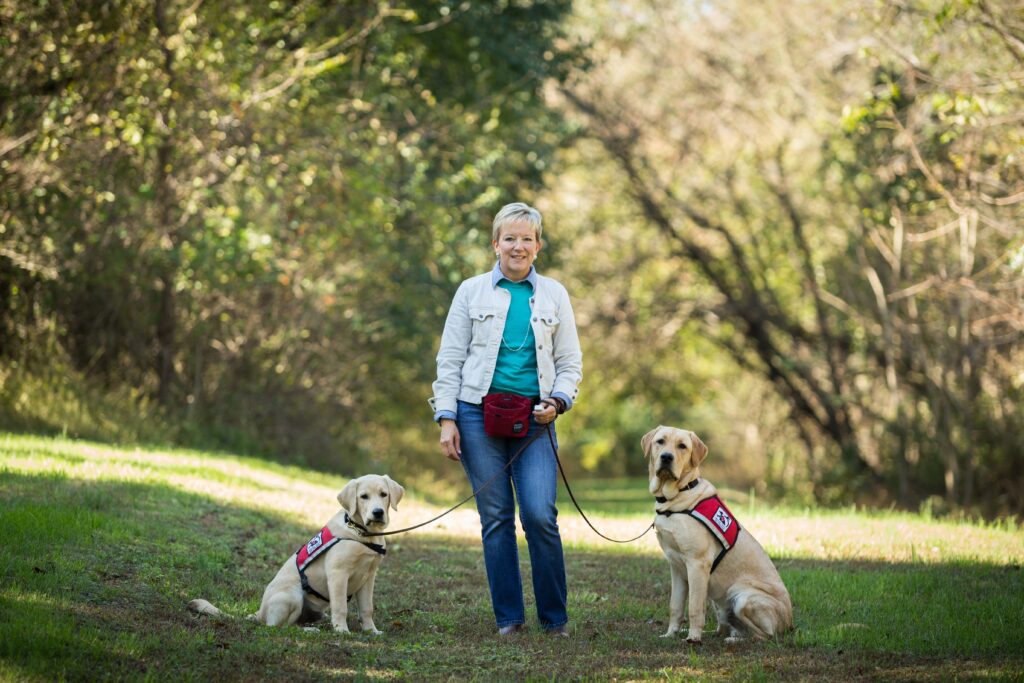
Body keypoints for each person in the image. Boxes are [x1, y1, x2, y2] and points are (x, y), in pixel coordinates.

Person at [429, 202, 583, 637]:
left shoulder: (555, 294)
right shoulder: (470, 291)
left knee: (539, 515)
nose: (518, 246)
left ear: (538, 246)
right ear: (496, 243)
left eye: (527, 239)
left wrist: (559, 400)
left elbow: (570, 362)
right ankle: (509, 621)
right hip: (476, 416)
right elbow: (451, 359)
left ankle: (555, 620)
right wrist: (447, 418)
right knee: (495, 516)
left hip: (536, 419)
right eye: (509, 238)